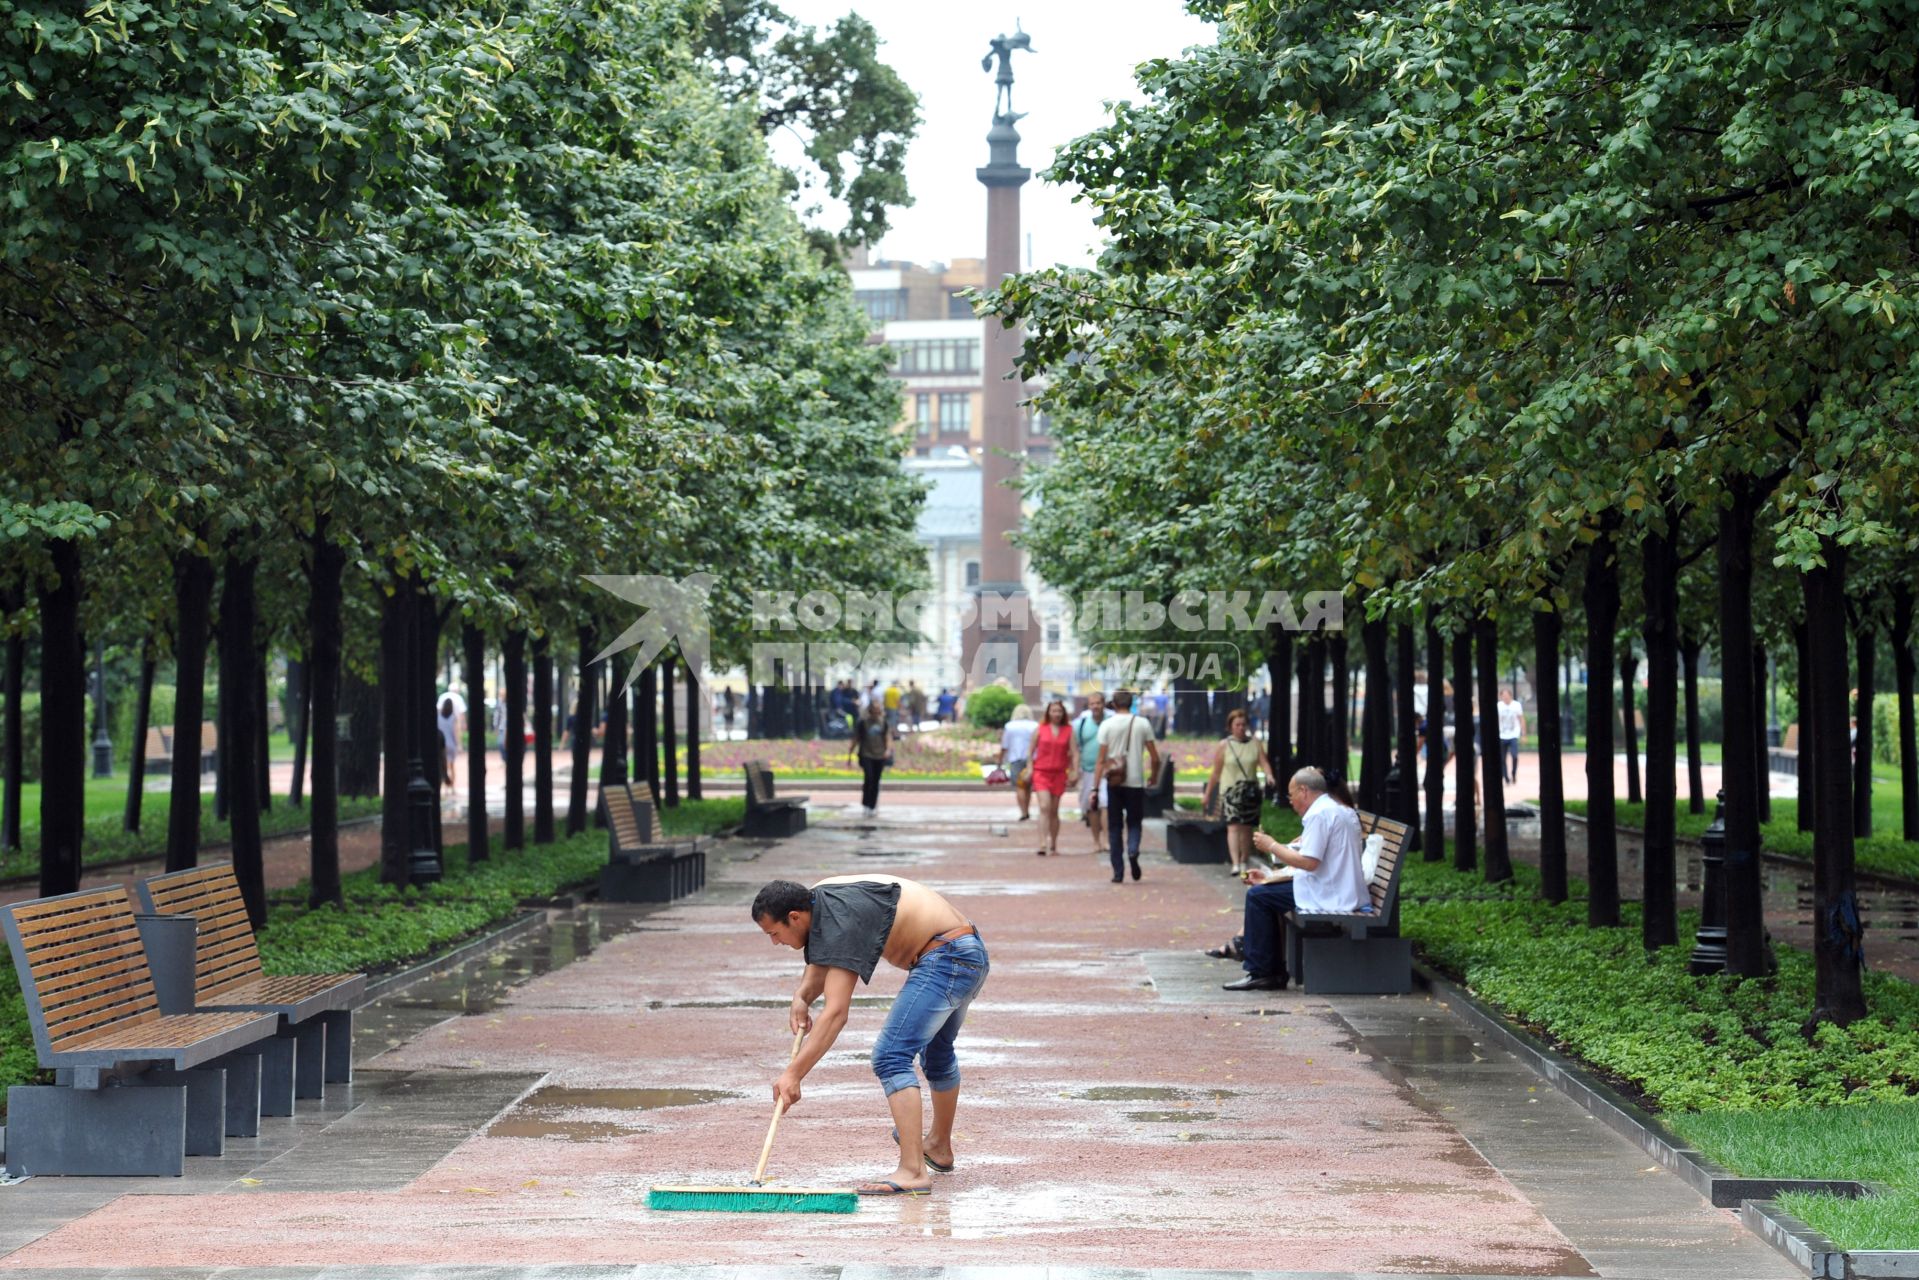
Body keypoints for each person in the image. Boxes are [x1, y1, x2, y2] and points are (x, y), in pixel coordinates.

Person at [754, 875, 988, 1197]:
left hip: (946, 958)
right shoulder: (823, 899)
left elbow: (836, 1013)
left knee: (891, 1057)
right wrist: (802, 997)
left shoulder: (841, 918)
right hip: (966, 951)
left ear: (794, 917)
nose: (775, 942)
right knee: (937, 1053)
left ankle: (913, 1171)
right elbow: (824, 956)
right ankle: (938, 1147)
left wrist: (793, 1074)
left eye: (774, 933)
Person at [1222, 767, 1368, 991]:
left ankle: (1263, 972)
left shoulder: (1320, 815)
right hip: (1337, 887)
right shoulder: (1337, 809)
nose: (1290, 801)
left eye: (1291, 795)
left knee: (1258, 897)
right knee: (1264, 893)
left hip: (1332, 893)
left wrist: (1271, 845)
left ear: (1304, 791)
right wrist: (1271, 877)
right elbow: (1313, 861)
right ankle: (1269, 970)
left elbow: (1309, 862)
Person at [1094, 690, 1161, 883]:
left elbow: (1101, 760)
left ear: (1113, 704)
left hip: (1114, 781)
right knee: (1134, 822)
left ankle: (1118, 871)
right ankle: (1133, 849)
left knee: (1114, 826)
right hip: (1135, 782)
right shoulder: (1142, 723)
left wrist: (1095, 787)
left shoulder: (1106, 725)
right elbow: (1155, 757)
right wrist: (1153, 776)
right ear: (1131, 703)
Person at [1203, 708, 1279, 876]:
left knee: (1246, 828)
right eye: (1237, 725)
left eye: (1243, 724)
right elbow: (1216, 772)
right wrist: (1208, 794)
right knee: (1233, 826)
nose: (1241, 728)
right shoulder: (1224, 746)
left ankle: (1244, 859)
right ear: (1230, 727)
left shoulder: (1255, 744)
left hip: (1250, 792)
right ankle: (1235, 863)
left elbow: (1264, 762)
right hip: (1230, 791)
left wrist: (1269, 775)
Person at [1028, 700, 1077, 856]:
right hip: (1041, 772)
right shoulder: (1040, 729)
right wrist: (1030, 768)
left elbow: (1075, 752)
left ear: (1063, 714)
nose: (1056, 714)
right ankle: (1042, 842)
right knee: (1044, 806)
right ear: (1048, 713)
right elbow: (1030, 751)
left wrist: (1074, 770)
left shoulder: (1068, 730)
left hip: (1059, 773)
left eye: (1059, 711)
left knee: (1054, 811)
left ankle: (1054, 843)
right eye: (1053, 711)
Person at [1071, 691, 1109, 853]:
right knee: (1091, 806)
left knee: (1106, 803)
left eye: (1098, 703)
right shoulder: (1081, 724)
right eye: (1092, 704)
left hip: (1107, 771)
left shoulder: (1111, 721)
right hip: (1088, 770)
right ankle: (1096, 841)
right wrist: (1075, 770)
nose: (1095, 707)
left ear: (1103, 704)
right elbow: (1076, 750)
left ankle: (1107, 839)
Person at [848, 701, 893, 817]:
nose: (877, 712)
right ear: (870, 710)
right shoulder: (863, 723)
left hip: (879, 755)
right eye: (875, 709)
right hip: (866, 754)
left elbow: (887, 737)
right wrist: (850, 754)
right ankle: (866, 803)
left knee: (876, 781)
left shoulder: (883, 723)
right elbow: (856, 738)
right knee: (869, 778)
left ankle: (872, 805)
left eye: (879, 710)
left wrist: (887, 750)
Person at [997, 704, 1039, 821]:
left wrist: (1000, 761)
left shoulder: (1010, 726)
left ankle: (1023, 811)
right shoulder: (1035, 726)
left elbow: (1005, 745)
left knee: (1019, 786)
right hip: (1032, 759)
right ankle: (1027, 808)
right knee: (1028, 786)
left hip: (1016, 758)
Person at [1496, 686, 1525, 786]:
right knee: (1502, 758)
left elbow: (1521, 719)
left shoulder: (1516, 705)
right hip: (1502, 735)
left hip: (1513, 734)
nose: (1505, 698)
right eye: (1503, 696)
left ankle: (1513, 773)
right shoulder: (1499, 706)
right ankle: (1506, 777)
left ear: (1510, 696)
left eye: (1506, 696)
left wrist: (1523, 734)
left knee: (1514, 755)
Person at [437, 696, 461, 789]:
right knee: (452, 766)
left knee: (444, 765)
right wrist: (458, 744)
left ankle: (444, 787)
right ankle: (452, 786)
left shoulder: (439, 717)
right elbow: (455, 732)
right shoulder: (453, 717)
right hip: (451, 744)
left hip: (442, 744)